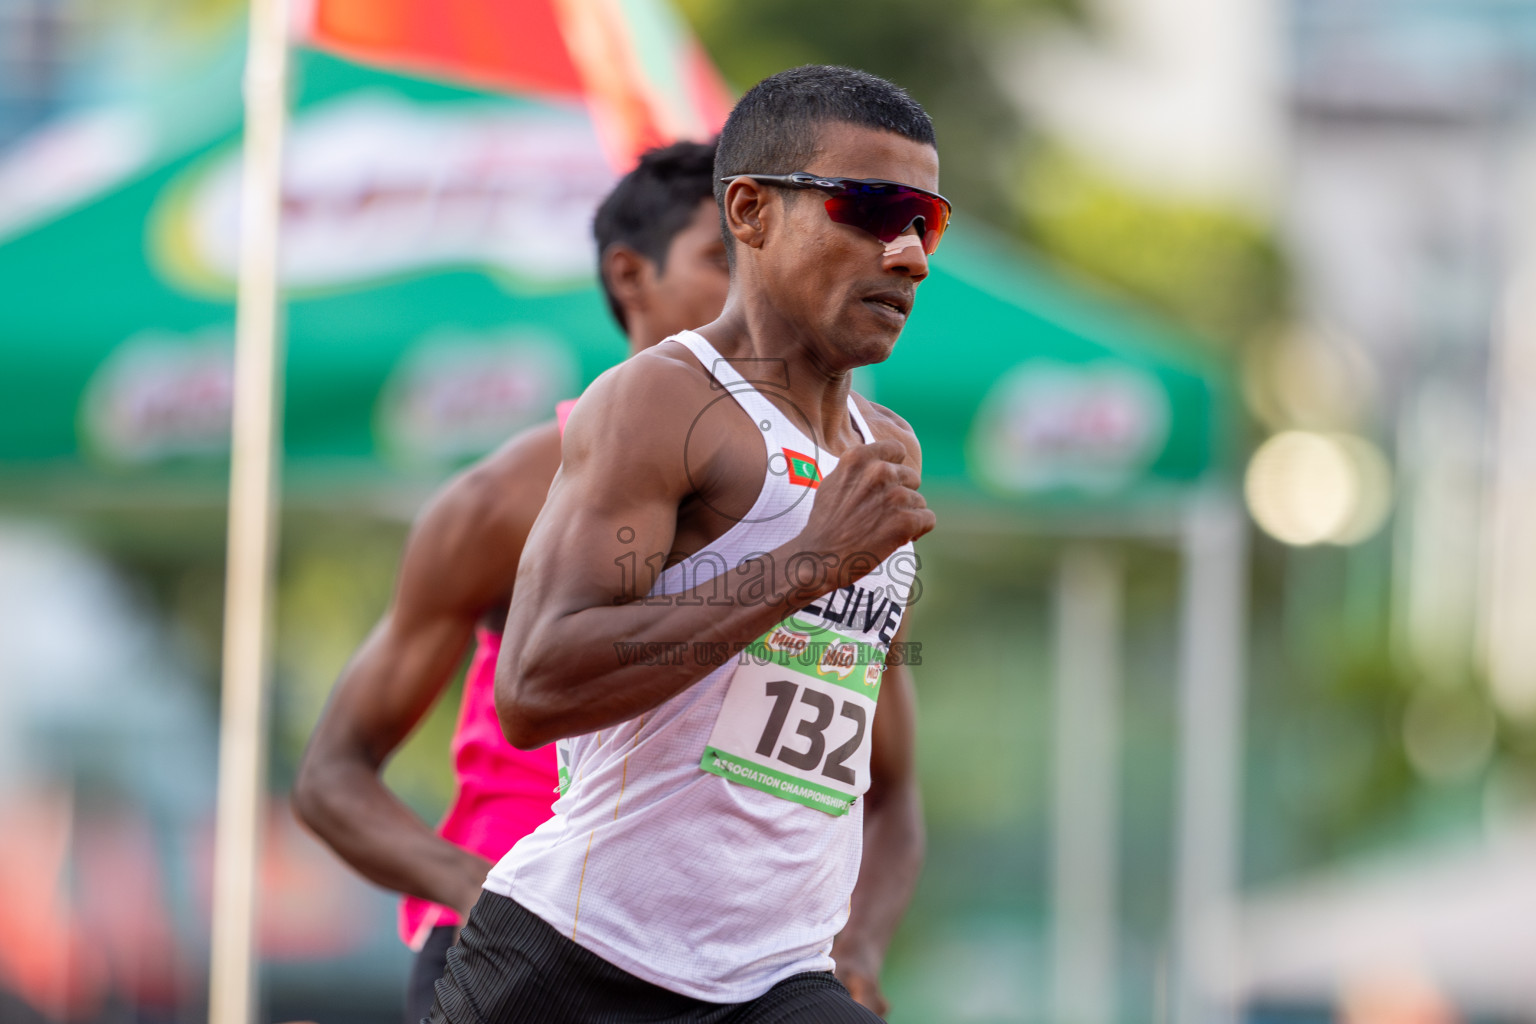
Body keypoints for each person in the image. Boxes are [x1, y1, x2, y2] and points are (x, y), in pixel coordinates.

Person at [429, 65, 943, 1023]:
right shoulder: (665, 399)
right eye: (872, 210)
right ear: (750, 211)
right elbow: (535, 687)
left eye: (926, 220)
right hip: (584, 962)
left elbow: (877, 767)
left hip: (775, 978)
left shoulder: (889, 449)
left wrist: (861, 944)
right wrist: (807, 566)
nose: (909, 253)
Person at [293, 141, 732, 1024]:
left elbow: (884, 784)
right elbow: (330, 775)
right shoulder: (507, 497)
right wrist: (488, 894)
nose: (750, 295)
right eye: (721, 260)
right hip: (518, 953)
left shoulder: (817, 497)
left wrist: (853, 940)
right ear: (631, 275)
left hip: (718, 955)